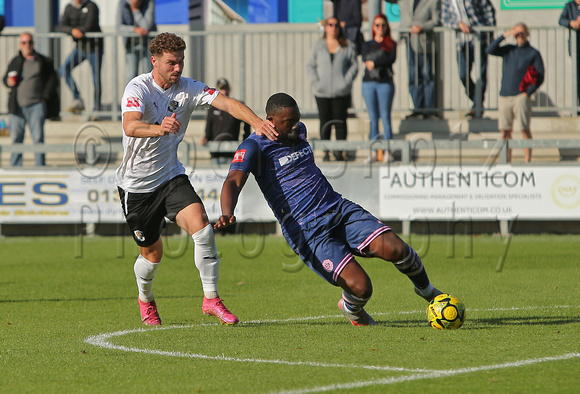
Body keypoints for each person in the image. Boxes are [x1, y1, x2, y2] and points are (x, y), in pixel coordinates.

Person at [215, 92, 444, 326]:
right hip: (308, 232)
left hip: (338, 210)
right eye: (288, 122)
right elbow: (233, 180)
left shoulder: (300, 130)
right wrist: (227, 211)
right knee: (362, 287)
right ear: (270, 121)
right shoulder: (254, 147)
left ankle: (429, 292)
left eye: (297, 119)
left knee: (396, 248)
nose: (295, 126)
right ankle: (351, 307)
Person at [115, 33, 277, 326]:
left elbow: (227, 103)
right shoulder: (137, 87)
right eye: (171, 63)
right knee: (152, 257)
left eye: (181, 62)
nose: (177, 68)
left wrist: (257, 123)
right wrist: (158, 128)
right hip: (136, 186)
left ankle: (211, 299)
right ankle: (146, 299)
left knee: (203, 228)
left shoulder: (188, 88)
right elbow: (130, 125)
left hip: (170, 177)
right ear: (155, 61)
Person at [486, 23, 544, 163]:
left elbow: (540, 75)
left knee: (524, 129)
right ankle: (506, 160)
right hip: (505, 95)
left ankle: (527, 160)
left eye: (522, 33)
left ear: (527, 34)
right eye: (517, 34)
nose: (520, 36)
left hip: (521, 96)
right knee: (505, 131)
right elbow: (490, 49)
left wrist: (528, 92)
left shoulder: (533, 53)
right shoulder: (509, 50)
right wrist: (505, 35)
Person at [306, 17, 359, 161]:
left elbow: (354, 65)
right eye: (330, 25)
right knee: (325, 121)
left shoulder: (347, 45)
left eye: (336, 25)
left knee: (340, 122)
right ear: (326, 27)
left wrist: (346, 82)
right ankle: (325, 151)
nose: (333, 28)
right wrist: (317, 83)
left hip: (341, 92)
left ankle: (340, 151)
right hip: (322, 92)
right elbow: (310, 66)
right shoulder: (319, 45)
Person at [2, 32, 59, 167]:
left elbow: (53, 80)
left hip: (36, 105)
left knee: (38, 139)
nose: (27, 45)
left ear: (33, 44)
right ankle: (15, 168)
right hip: (17, 107)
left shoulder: (42, 61)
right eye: (24, 43)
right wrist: (8, 82)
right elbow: (5, 78)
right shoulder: (16, 61)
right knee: (16, 139)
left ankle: (40, 167)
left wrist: (45, 97)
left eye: (29, 42)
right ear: (20, 45)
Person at [441, 0, 496, 118]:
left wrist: (489, 32)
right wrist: (458, 24)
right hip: (461, 42)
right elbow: (445, 20)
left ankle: (477, 106)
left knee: (480, 74)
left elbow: (489, 9)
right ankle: (478, 101)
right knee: (463, 74)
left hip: (479, 38)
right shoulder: (447, 1)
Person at [387, 0, 441, 119]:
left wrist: (422, 27)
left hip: (425, 44)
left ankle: (429, 109)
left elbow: (436, 20)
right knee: (413, 76)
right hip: (409, 41)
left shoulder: (432, 1)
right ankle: (418, 108)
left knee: (427, 76)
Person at [361, 14, 397, 163]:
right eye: (377, 25)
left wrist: (375, 63)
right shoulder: (367, 44)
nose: (380, 28)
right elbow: (364, 57)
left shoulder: (391, 43)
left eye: (383, 25)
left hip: (385, 83)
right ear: (373, 27)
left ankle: (388, 150)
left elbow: (391, 59)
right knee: (373, 119)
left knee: (385, 117)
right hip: (369, 83)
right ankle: (374, 151)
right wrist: (373, 62)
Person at [58, 0, 104, 115]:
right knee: (64, 69)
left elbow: (90, 23)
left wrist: (80, 31)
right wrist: (72, 31)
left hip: (95, 48)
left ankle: (97, 110)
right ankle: (77, 98)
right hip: (80, 48)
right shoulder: (69, 7)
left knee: (96, 79)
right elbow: (62, 25)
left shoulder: (91, 6)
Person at [200, 78, 251, 165]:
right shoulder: (212, 108)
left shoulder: (235, 106)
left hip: (232, 152)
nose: (224, 91)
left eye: (226, 89)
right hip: (216, 152)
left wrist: (245, 140)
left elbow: (247, 121)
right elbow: (208, 128)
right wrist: (205, 138)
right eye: (222, 89)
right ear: (217, 90)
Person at [116, 0, 156, 83]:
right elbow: (119, 27)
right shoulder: (122, 3)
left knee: (148, 75)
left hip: (148, 45)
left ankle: (149, 96)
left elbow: (146, 26)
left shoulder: (149, 2)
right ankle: (133, 95)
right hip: (131, 45)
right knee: (131, 75)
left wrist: (135, 10)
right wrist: (134, 29)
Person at [559, 0, 580, 108]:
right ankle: (577, 108)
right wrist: (572, 23)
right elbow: (561, 20)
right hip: (576, 48)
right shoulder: (569, 6)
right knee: (577, 79)